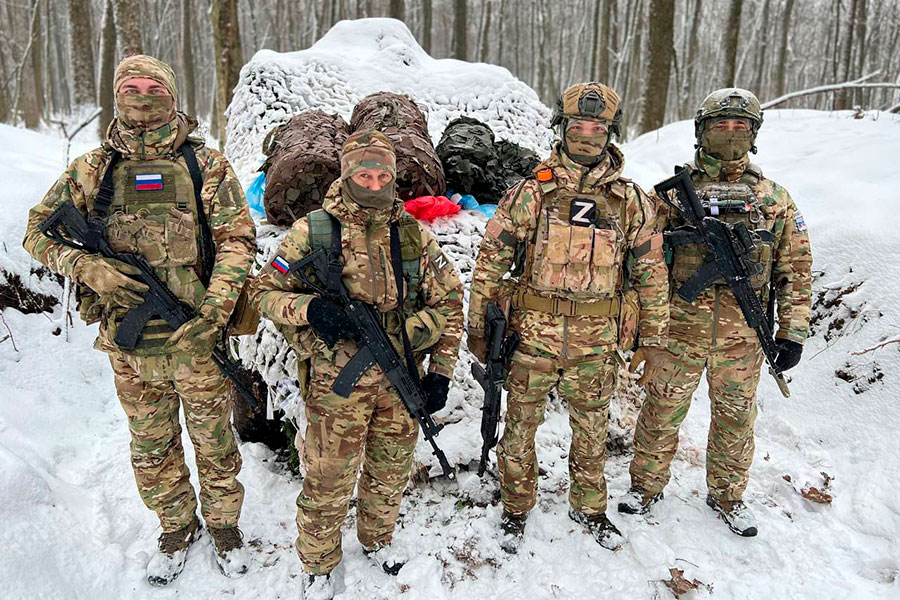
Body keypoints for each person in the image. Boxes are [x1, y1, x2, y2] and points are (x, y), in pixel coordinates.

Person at [22, 55, 256, 585]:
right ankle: (175, 527)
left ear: (172, 95)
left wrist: (215, 311)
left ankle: (223, 526)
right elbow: (36, 232)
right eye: (132, 86)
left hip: (194, 338)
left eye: (155, 87)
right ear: (116, 94)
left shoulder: (207, 166)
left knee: (214, 440)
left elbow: (238, 241)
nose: (144, 96)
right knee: (151, 445)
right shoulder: (90, 170)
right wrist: (87, 266)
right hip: (129, 347)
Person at [250, 129, 463, 599]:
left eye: (381, 175)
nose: (372, 184)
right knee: (328, 475)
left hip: (401, 372)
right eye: (363, 174)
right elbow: (263, 294)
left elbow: (450, 300)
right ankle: (319, 561)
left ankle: (377, 539)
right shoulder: (314, 230)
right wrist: (311, 311)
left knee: (390, 469)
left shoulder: (413, 234)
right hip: (337, 382)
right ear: (346, 175)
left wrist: (441, 373)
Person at [467, 83, 669, 553]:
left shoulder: (630, 201)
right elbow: (491, 261)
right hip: (531, 338)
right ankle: (516, 507)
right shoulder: (531, 192)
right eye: (578, 125)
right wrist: (478, 325)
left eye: (596, 127)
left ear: (609, 134)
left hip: (596, 341)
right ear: (563, 128)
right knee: (518, 427)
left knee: (593, 428)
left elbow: (651, 274)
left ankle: (590, 505)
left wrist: (654, 339)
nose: (586, 135)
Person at [618, 88, 813, 537]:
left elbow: (795, 269)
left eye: (740, 126)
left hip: (743, 336)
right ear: (702, 131)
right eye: (721, 125)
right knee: (661, 410)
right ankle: (645, 487)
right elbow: (640, 261)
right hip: (677, 329)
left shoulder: (774, 199)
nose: (730, 133)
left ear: (754, 133)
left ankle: (727, 495)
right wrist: (638, 324)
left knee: (736, 417)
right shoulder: (670, 197)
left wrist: (792, 333)